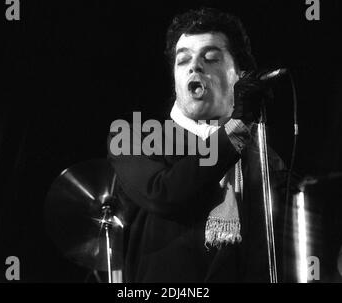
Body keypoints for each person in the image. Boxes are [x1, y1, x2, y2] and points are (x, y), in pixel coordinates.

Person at [107, 7, 289, 282]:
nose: (194, 66)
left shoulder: (263, 156)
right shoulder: (134, 136)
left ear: (240, 75)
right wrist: (234, 131)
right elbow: (165, 193)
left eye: (211, 57)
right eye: (183, 60)